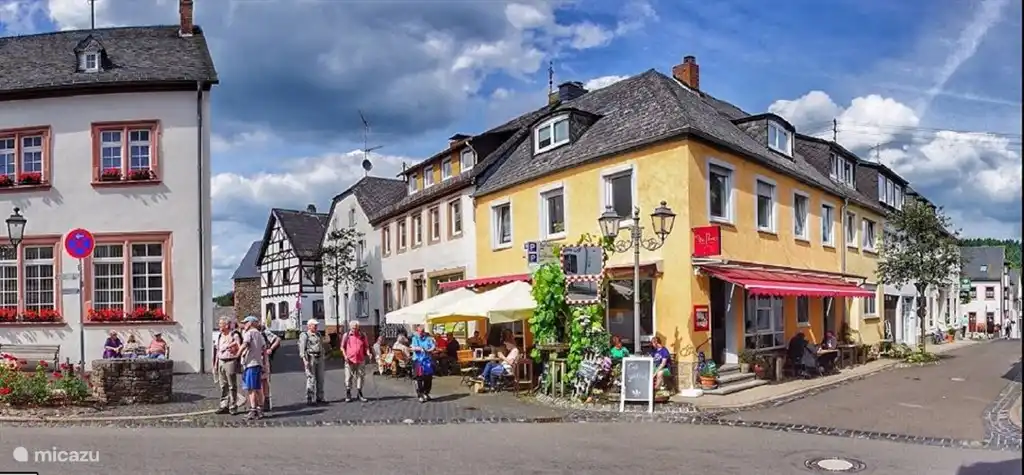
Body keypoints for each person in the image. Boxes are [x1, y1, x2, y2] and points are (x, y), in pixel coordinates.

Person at [213, 317, 242, 415]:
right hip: (221, 361)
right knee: (223, 385)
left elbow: (240, 346)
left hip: (230, 361)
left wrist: (233, 349)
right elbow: (217, 350)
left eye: (221, 324)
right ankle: (224, 405)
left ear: (227, 325)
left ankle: (233, 406)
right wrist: (215, 363)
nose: (219, 326)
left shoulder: (234, 335)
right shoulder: (220, 335)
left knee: (232, 385)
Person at [239, 316, 266, 419]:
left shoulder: (249, 333)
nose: (244, 325)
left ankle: (253, 410)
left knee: (251, 388)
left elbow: (245, 344)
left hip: (251, 364)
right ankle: (260, 409)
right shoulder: (259, 334)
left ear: (250, 323)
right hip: (257, 363)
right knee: (257, 387)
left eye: (245, 323)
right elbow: (264, 348)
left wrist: (237, 354)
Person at [341, 320, 372, 402]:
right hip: (349, 360)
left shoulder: (362, 335)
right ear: (350, 328)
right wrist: (345, 356)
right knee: (348, 377)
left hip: (360, 359)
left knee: (360, 376)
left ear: (358, 328)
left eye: (356, 328)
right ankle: (348, 393)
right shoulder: (346, 335)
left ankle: (359, 393)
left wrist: (368, 353)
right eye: (352, 328)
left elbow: (366, 346)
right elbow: (342, 347)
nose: (354, 330)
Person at [298, 319, 326, 405]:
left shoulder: (318, 334)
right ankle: (309, 397)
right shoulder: (305, 335)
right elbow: (302, 350)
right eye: (314, 325)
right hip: (311, 357)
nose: (316, 327)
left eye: (316, 325)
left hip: (319, 357)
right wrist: (305, 361)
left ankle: (320, 397)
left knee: (320, 378)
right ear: (309, 326)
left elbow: (321, 345)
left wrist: (324, 355)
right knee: (311, 378)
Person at [410, 324, 436, 402]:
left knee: (428, 377)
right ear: (417, 331)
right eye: (419, 332)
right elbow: (413, 347)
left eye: (422, 332)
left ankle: (426, 392)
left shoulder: (428, 339)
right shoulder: (415, 338)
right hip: (418, 361)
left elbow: (433, 346)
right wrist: (420, 348)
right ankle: (420, 394)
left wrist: (429, 349)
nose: (420, 333)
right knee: (419, 378)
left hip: (427, 360)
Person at [259, 322, 281, 411]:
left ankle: (266, 402)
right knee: (256, 383)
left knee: (265, 381)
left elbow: (278, 339)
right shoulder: (247, 332)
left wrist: (271, 349)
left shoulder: (264, 333)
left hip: (264, 360)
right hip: (253, 361)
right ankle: (258, 403)